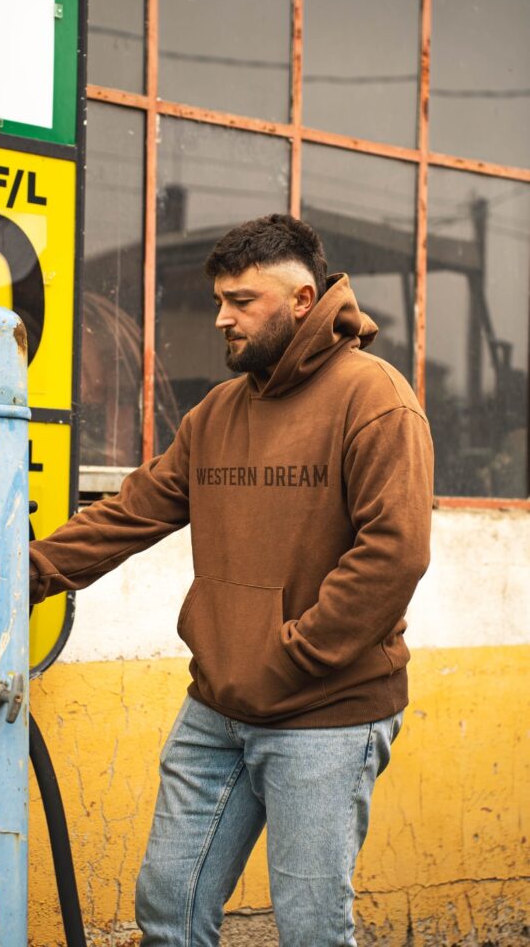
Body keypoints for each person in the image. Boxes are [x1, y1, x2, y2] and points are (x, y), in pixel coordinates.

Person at [29, 213, 434, 947]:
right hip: (217, 707)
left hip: (325, 713)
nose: (222, 318)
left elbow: (394, 550)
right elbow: (132, 510)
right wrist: (24, 575)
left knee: (310, 926)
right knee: (168, 909)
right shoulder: (217, 412)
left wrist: (296, 653)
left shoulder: (373, 399)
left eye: (242, 301)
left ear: (303, 299)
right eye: (220, 299)